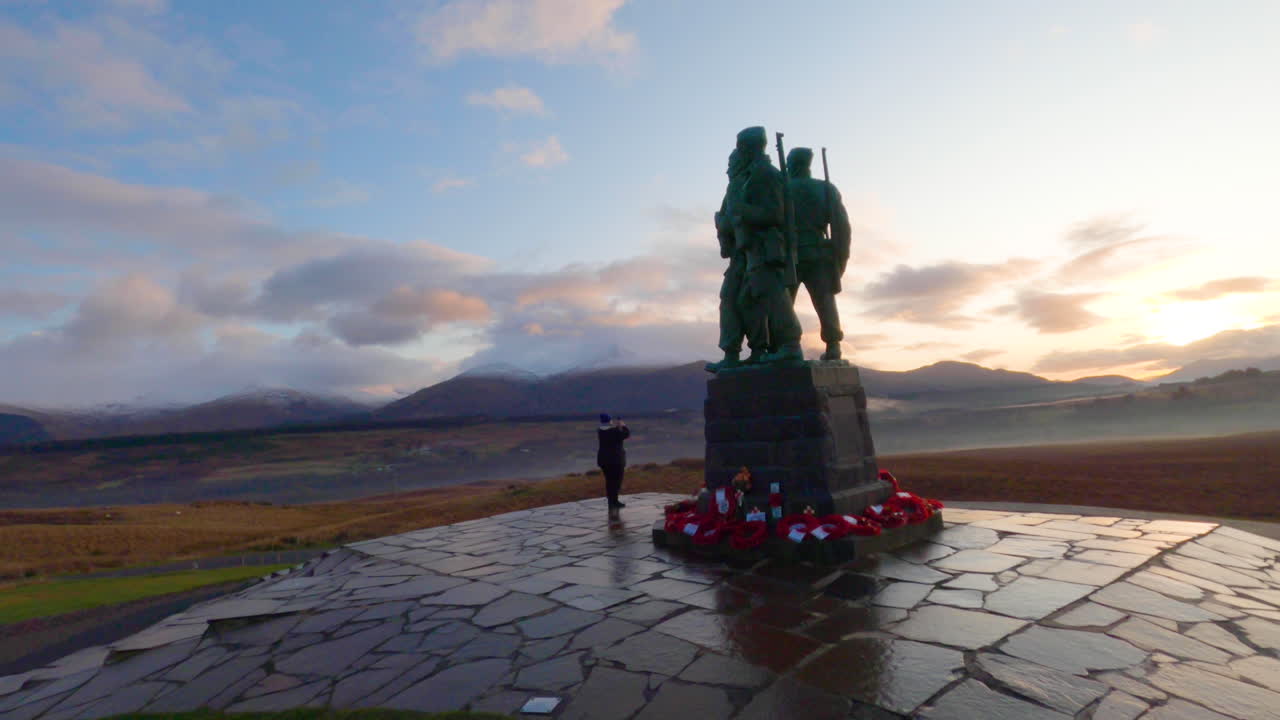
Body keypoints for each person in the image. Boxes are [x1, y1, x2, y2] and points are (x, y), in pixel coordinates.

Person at [730, 126, 803, 364]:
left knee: (775, 296)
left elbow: (775, 215)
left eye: (740, 147)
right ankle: (759, 351)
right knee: (747, 300)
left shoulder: (765, 174)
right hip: (754, 250)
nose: (738, 152)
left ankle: (791, 344)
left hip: (766, 248)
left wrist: (743, 211)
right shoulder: (754, 173)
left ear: (747, 147)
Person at [786, 147, 851, 361]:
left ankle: (787, 344)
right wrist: (840, 257)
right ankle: (833, 345)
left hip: (790, 254)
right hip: (819, 252)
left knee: (784, 303)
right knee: (825, 301)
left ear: (792, 164)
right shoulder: (826, 189)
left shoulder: (783, 189)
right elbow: (842, 227)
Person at [706, 148, 752, 372]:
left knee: (754, 301)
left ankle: (761, 350)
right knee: (730, 299)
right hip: (740, 256)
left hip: (758, 253)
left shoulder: (755, 181)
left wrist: (730, 220)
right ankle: (731, 352)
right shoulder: (733, 189)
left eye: (731, 164)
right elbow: (726, 221)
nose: (728, 170)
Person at [596, 413, 630, 509]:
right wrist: (623, 426)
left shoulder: (600, 431)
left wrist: (617, 428)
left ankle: (611, 501)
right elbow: (626, 434)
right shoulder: (614, 431)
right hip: (616, 461)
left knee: (609, 481)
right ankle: (614, 501)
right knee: (616, 482)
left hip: (604, 461)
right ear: (609, 421)